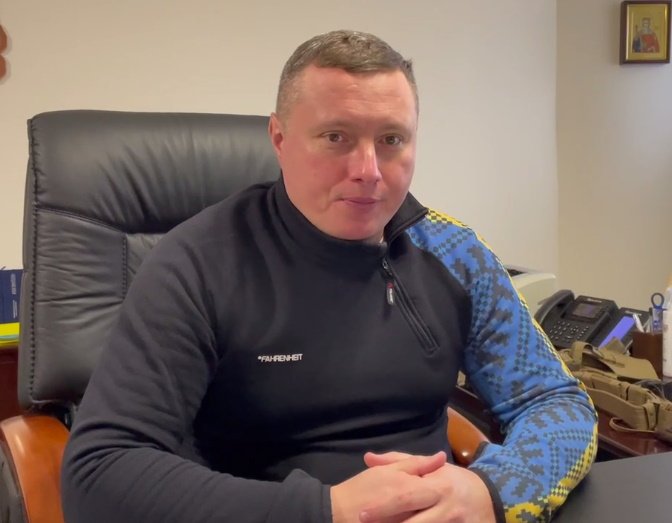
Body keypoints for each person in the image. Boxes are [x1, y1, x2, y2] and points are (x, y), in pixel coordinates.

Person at [61, 30, 597, 523]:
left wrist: (492, 492)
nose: (368, 170)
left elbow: (557, 402)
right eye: (336, 136)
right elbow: (99, 473)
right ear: (279, 138)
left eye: (392, 140)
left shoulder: (454, 252)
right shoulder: (196, 263)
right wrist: (327, 511)